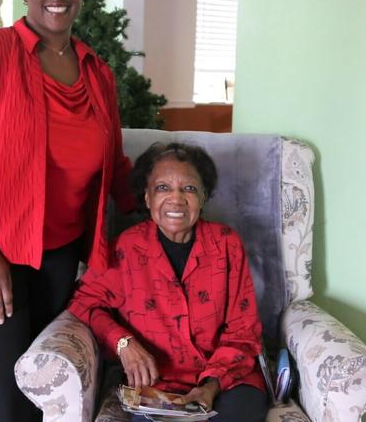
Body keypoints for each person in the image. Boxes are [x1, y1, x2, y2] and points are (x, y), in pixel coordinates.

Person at [0, 0, 135, 420]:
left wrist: (151, 210)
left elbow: (115, 162)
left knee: (45, 382)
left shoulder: (97, 73)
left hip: (60, 252)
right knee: (5, 391)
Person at [68, 142, 269, 422]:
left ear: (203, 196)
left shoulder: (226, 244)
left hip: (228, 380)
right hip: (159, 386)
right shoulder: (125, 249)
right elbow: (83, 302)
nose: (176, 199)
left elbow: (243, 330)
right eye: (163, 188)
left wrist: (210, 385)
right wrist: (123, 343)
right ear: (147, 198)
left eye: (188, 188)